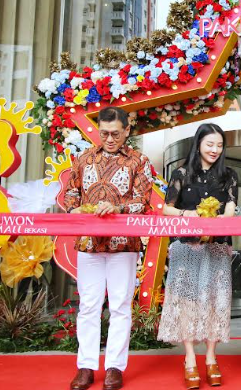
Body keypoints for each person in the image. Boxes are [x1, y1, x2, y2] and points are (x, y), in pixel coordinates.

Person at [64, 106, 153, 390]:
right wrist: (73, 209)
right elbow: (70, 193)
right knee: (88, 306)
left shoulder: (139, 161)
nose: (110, 139)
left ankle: (115, 367)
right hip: (88, 244)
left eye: (116, 133)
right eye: (104, 133)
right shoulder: (83, 159)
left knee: (120, 306)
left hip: (123, 245)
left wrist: (117, 207)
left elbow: (143, 202)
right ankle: (86, 367)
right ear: (98, 131)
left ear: (127, 130)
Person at [157, 123, 238, 389]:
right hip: (186, 247)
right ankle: (190, 358)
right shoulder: (181, 173)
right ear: (199, 144)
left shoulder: (228, 175)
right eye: (210, 144)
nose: (215, 150)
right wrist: (187, 215)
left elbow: (230, 210)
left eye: (219, 145)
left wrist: (219, 222)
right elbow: (167, 209)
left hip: (216, 247)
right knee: (187, 300)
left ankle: (211, 357)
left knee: (215, 301)